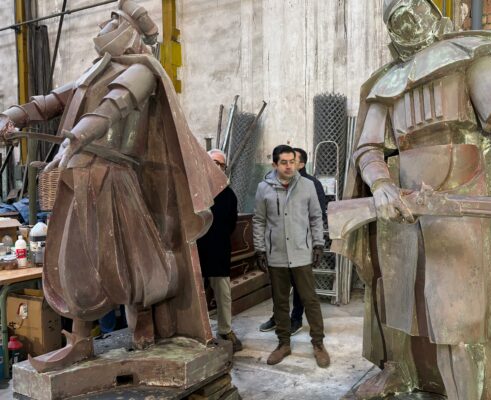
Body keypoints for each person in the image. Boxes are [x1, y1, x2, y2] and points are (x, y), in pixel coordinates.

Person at [337, 0, 491, 398]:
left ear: (435, 15)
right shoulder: (385, 84)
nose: (408, 20)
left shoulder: (469, 57)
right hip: (401, 207)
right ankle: (400, 372)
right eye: (397, 16)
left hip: (461, 199)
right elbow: (367, 149)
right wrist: (381, 185)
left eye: (415, 8)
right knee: (396, 298)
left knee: (455, 318)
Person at [0, 0, 227, 372]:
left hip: (112, 177)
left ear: (128, 31)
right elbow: (52, 101)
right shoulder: (93, 72)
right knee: (78, 261)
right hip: (82, 175)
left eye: (112, 20)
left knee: (126, 260)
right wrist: (12, 116)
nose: (103, 27)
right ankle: (83, 340)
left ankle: (140, 329)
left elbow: (112, 107)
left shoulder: (141, 70)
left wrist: (75, 138)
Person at [253, 145, 330, 367]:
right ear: (275, 164)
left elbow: (316, 217)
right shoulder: (263, 188)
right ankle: (283, 344)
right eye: (284, 162)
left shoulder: (307, 186)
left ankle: (318, 344)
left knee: (310, 300)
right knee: (280, 302)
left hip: (301, 253)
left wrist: (317, 244)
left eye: (292, 161)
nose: (289, 166)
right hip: (276, 254)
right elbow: (259, 220)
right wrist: (260, 249)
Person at [198, 149, 242, 352]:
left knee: (223, 294)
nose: (217, 167)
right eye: (213, 162)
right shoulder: (193, 190)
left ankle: (224, 330)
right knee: (195, 296)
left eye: (220, 165)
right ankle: (198, 333)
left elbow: (231, 224)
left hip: (218, 251)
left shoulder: (229, 195)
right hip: (195, 252)